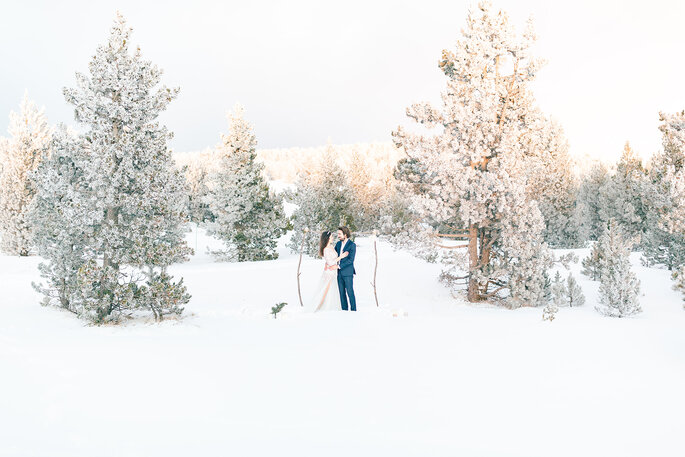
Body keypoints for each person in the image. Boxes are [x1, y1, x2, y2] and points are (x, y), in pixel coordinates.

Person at [312, 230, 348, 312]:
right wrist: (341, 257)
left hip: (333, 271)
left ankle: (331, 305)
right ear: (327, 238)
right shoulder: (326, 249)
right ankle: (319, 306)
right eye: (331, 237)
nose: (332, 238)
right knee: (326, 289)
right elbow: (331, 262)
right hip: (330, 271)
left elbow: (330, 259)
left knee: (332, 289)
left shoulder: (331, 247)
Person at [335, 226, 357, 311]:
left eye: (340, 234)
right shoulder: (338, 244)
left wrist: (339, 266)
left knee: (350, 292)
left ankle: (354, 310)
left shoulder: (352, 245)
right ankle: (344, 310)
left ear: (345, 234)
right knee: (341, 293)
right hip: (339, 273)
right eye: (338, 234)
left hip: (348, 272)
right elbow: (334, 255)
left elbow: (351, 260)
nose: (338, 236)